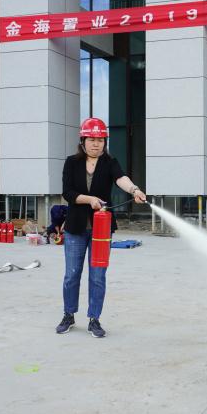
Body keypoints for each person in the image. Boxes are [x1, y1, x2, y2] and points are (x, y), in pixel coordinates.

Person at [56, 118, 146, 337]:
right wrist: (89, 200)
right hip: (76, 227)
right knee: (71, 274)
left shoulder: (109, 162)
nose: (96, 144)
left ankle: (94, 319)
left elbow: (121, 178)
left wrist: (134, 190)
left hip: (101, 228)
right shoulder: (71, 162)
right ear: (83, 141)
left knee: (97, 276)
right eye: (91, 139)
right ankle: (68, 315)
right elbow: (67, 193)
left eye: (100, 140)